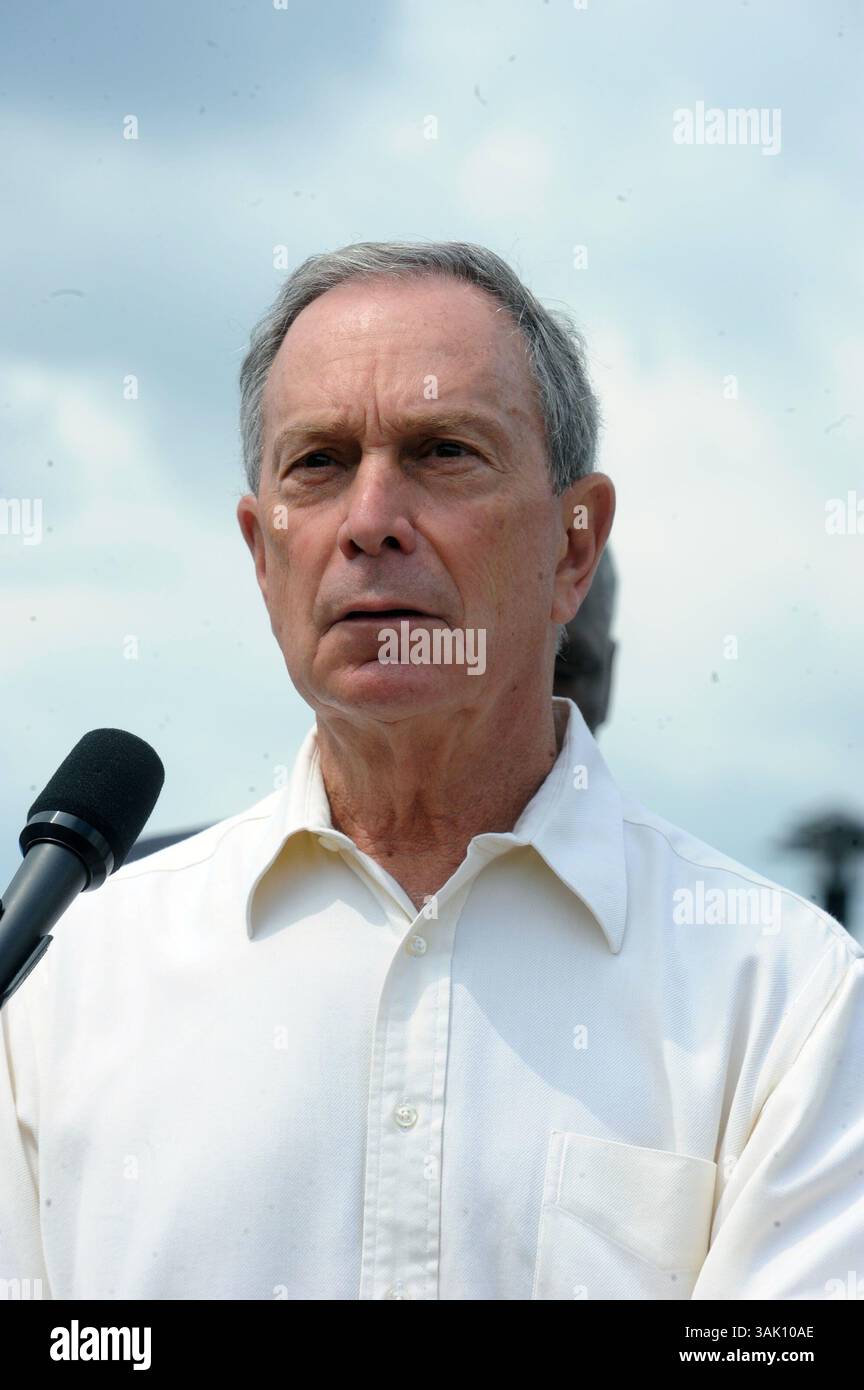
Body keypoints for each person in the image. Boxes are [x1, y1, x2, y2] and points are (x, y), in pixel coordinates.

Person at [1, 241, 861, 1301]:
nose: (370, 524)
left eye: (443, 451)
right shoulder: (64, 990)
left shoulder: (785, 1002)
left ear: (574, 549)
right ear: (262, 557)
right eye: (316, 463)